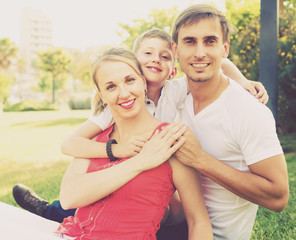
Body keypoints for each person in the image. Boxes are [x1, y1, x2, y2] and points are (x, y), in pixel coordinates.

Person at [13, 27, 269, 221]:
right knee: (108, 195)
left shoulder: (177, 89)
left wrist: (243, 82)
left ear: (173, 68)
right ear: (135, 62)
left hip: (163, 176)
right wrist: (115, 150)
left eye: (165, 56)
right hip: (127, 173)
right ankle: (48, 210)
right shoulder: (120, 101)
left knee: (172, 206)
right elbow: (70, 143)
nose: (156, 59)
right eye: (148, 53)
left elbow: (219, 61)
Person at [1, 47, 213, 239]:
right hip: (69, 234)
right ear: (102, 95)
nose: (123, 93)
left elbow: (198, 221)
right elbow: (69, 198)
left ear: (143, 81)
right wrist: (140, 161)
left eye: (130, 80)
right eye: (111, 86)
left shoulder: (170, 139)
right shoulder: (96, 140)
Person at [168, 4, 289, 239]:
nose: (200, 52)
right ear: (175, 49)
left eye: (210, 41)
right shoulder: (174, 94)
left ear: (225, 48)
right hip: (171, 220)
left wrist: (201, 160)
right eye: (190, 41)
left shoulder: (248, 111)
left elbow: (279, 197)